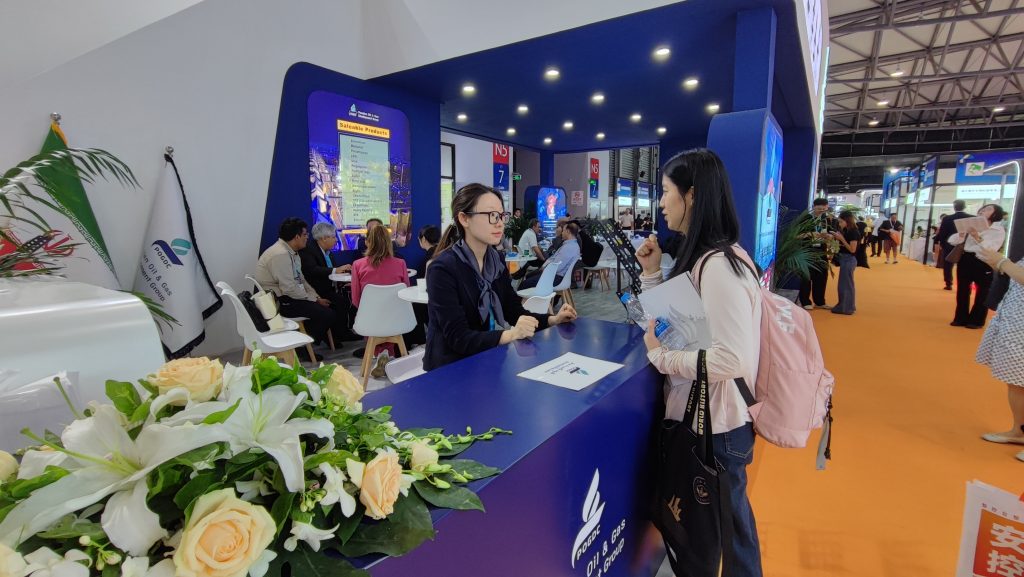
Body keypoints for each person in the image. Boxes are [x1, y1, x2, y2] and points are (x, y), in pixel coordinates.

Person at [635, 149, 764, 577]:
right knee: (714, 534)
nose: (661, 202)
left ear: (690, 195)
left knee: (729, 539)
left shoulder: (720, 266)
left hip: (718, 427)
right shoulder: (707, 259)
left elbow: (731, 358)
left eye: (666, 191)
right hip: (708, 423)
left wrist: (661, 357)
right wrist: (652, 273)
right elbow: (673, 326)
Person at [424, 183, 577, 372]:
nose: (499, 223)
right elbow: (458, 338)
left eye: (501, 215)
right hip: (448, 369)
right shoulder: (442, 268)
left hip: (484, 359)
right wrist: (511, 335)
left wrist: (553, 320)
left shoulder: (495, 261)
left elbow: (513, 311)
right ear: (464, 218)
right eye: (491, 215)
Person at [254, 217, 336, 361]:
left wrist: (316, 298)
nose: (307, 237)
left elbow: (302, 280)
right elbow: (289, 289)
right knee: (326, 314)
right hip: (277, 302)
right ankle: (300, 348)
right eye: (305, 234)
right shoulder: (280, 254)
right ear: (297, 236)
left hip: (288, 297)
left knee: (328, 308)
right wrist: (313, 301)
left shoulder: (292, 252)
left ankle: (304, 344)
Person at [975, 245, 1024, 463]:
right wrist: (996, 261)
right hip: (1015, 322)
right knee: (1016, 381)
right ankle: (1019, 430)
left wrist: (1003, 262)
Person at [299, 222, 360, 341]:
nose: (336, 240)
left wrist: (342, 272)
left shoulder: (328, 251)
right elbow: (312, 270)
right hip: (316, 291)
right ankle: (339, 335)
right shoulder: (308, 250)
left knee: (348, 299)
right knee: (341, 302)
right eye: (333, 237)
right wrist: (336, 270)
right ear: (323, 238)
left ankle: (341, 333)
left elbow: (331, 270)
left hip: (331, 288)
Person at [949, 204, 1006, 329]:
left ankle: (976, 320)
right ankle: (960, 318)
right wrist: (962, 234)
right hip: (966, 258)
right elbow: (952, 240)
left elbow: (991, 248)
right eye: (983, 209)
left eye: (988, 209)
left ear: (996, 214)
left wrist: (976, 236)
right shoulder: (971, 225)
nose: (983, 210)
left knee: (983, 292)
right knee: (962, 290)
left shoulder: (998, 230)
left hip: (983, 261)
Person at [350, 225, 410, 309]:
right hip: (396, 314)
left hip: (368, 314)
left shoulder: (357, 265)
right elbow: (406, 294)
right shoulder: (401, 264)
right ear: (389, 242)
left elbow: (356, 300)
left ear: (367, 242)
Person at [519, 221, 581, 290]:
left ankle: (534, 295)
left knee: (524, 284)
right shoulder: (571, 245)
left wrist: (545, 268)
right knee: (529, 276)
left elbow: (557, 267)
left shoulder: (569, 247)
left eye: (563, 231)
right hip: (556, 275)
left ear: (568, 231)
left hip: (556, 277)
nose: (562, 233)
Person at [798, 198, 836, 310]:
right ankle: (805, 301)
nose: (821, 211)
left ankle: (820, 302)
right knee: (806, 277)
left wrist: (829, 236)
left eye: (824, 209)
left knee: (822, 277)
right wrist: (810, 234)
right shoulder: (806, 218)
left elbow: (832, 235)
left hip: (821, 251)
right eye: (819, 209)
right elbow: (796, 236)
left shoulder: (827, 219)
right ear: (814, 206)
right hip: (807, 251)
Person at [936, 200, 971, 290]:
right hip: (966, 246)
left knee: (948, 264)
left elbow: (942, 233)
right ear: (965, 207)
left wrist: (943, 244)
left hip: (949, 245)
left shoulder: (947, 219)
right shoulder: (971, 218)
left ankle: (948, 283)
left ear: (954, 207)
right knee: (964, 265)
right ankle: (964, 284)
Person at [831, 211, 861, 315]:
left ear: (847, 221)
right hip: (845, 259)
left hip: (849, 259)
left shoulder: (853, 232)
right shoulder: (846, 230)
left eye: (841, 222)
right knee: (844, 285)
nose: (839, 224)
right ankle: (846, 306)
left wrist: (841, 239)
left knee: (846, 285)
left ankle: (846, 308)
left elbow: (852, 250)